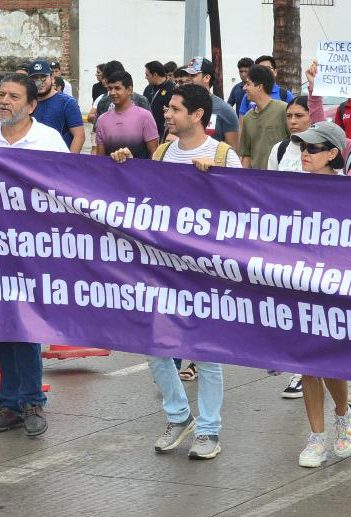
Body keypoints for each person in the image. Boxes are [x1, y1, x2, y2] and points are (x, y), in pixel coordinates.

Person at [110, 83, 241, 460]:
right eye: (167, 108)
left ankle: (210, 430)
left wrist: (213, 182)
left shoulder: (223, 155)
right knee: (154, 346)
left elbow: (239, 210)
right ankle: (179, 415)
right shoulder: (164, 152)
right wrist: (124, 165)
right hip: (164, 267)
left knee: (205, 353)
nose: (166, 113)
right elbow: (148, 198)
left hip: (204, 270)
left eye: (175, 109)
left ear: (198, 115)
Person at [0, 74, 64, 437]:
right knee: (1, 325)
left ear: (31, 105)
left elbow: (67, 187)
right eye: (2, 95)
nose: (5, 101)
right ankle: (10, 405)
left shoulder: (48, 140)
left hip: (33, 249)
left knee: (26, 325)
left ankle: (31, 403)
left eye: (14, 96)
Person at [277, 121, 351, 468]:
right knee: (307, 364)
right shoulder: (290, 187)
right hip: (298, 284)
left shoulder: (349, 190)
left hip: (335, 287)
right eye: (302, 148)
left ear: (332, 154)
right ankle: (316, 437)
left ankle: (343, 414)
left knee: (330, 363)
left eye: (312, 148)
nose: (305, 153)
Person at [93, 71, 158, 158]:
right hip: (111, 171)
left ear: (129, 90)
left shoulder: (145, 117)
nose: (112, 92)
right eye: (110, 88)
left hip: (139, 171)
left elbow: (154, 156)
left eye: (117, 88)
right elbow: (101, 159)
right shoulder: (102, 120)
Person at [239, 64, 289, 169]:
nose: (244, 88)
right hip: (256, 181)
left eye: (248, 84)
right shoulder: (248, 117)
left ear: (259, 87)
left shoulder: (283, 110)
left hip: (281, 178)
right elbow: (246, 155)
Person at [182, 57, 239, 148]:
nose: (188, 79)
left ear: (207, 78)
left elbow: (232, 150)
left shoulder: (225, 110)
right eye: (187, 75)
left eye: (193, 75)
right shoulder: (181, 105)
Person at [29, 60, 85, 153]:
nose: (40, 82)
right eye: (35, 79)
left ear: (52, 78)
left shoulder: (68, 103)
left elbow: (79, 136)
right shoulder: (26, 102)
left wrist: (68, 163)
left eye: (43, 77)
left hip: (58, 160)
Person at [144, 61, 175, 136]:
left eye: (147, 75)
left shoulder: (172, 89)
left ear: (155, 75)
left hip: (164, 132)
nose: (145, 77)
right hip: (148, 132)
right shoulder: (148, 89)